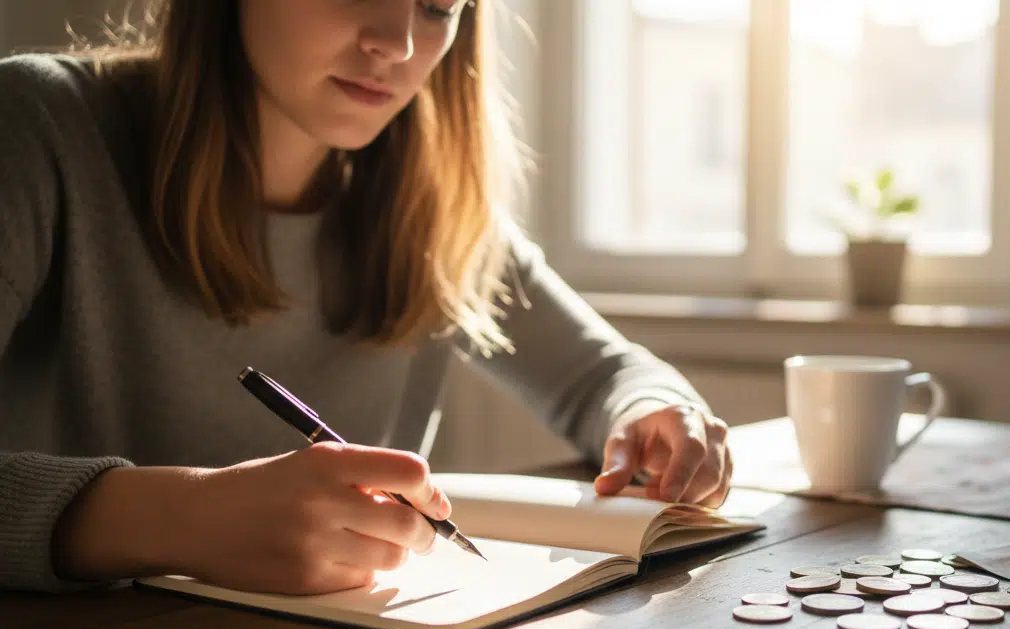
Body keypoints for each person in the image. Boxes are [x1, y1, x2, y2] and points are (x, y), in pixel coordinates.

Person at [0, 0, 733, 596]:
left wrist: (652, 411)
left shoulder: (432, 211)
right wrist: (181, 518)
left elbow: (603, 376)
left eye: (438, 6)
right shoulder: (37, 125)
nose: (398, 42)